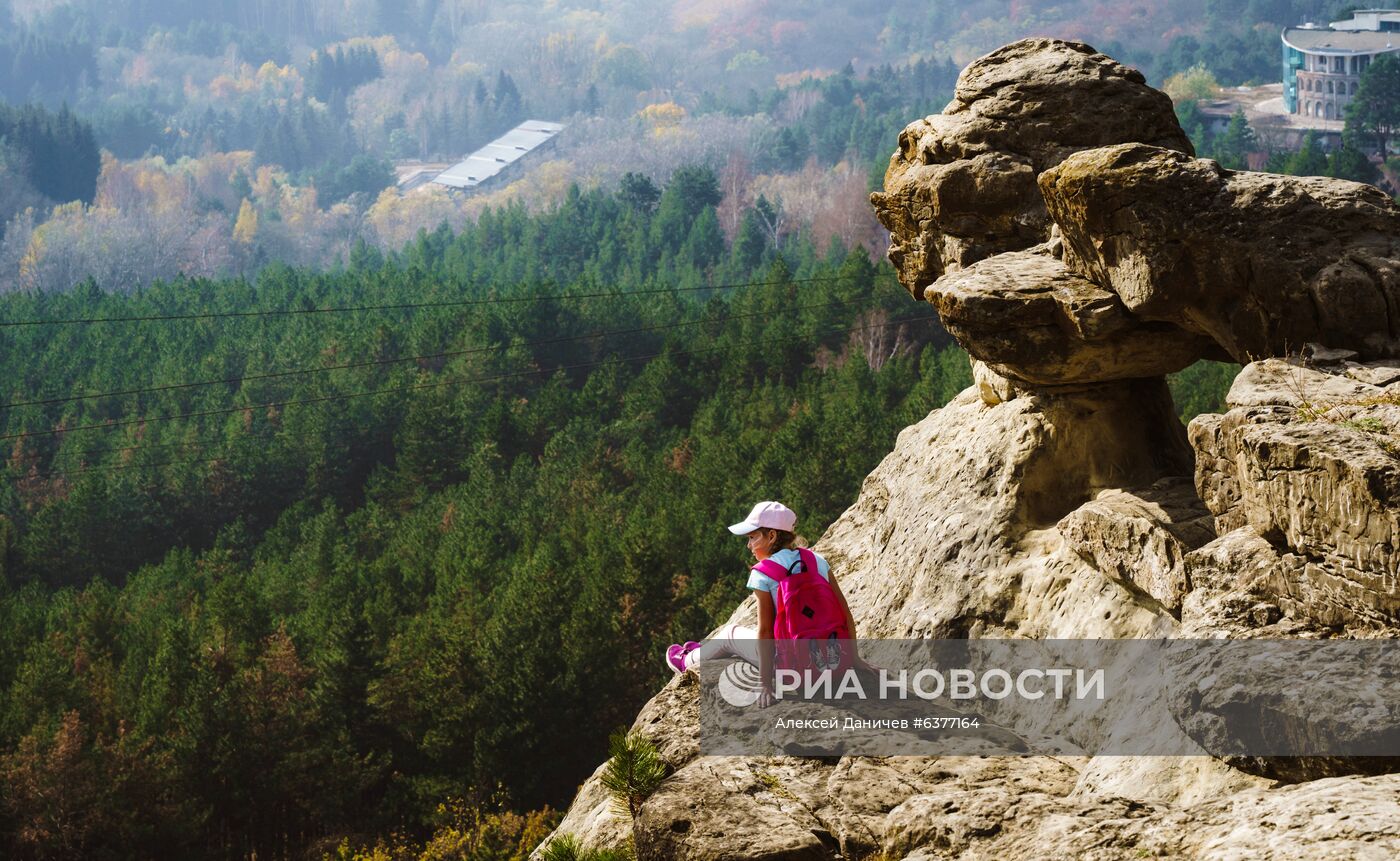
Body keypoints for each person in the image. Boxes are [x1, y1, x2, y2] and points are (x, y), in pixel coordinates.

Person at [665, 501, 863, 707]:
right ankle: (700, 651)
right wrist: (854, 659)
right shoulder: (817, 560)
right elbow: (844, 612)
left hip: (791, 668)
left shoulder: (763, 573)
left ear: (771, 536)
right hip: (837, 661)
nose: (749, 545)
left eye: (752, 537)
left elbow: (766, 631)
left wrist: (765, 684)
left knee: (730, 633)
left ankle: (685, 660)